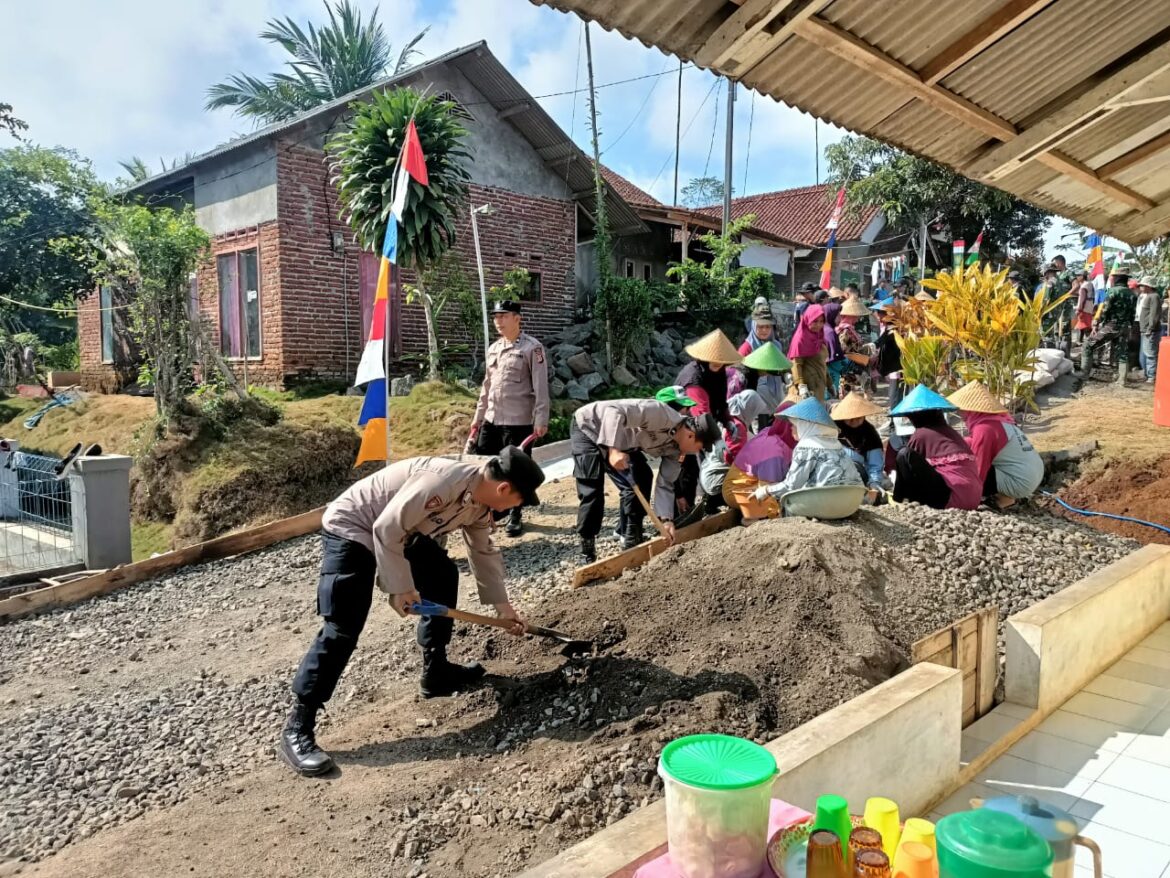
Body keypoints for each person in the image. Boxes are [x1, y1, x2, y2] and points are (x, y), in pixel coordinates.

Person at [280, 447, 544, 776]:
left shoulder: (480, 501)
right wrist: (400, 588)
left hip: (405, 532)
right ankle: (298, 728)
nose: (518, 507)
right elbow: (385, 529)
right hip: (356, 526)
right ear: (504, 489)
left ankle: (437, 672)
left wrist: (503, 607)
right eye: (520, 500)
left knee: (443, 576)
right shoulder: (441, 482)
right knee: (344, 625)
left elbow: (482, 550)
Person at [571, 399, 719, 562]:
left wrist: (666, 520)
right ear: (691, 435)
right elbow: (613, 411)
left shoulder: (677, 451)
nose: (696, 452)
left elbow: (666, 483)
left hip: (624, 442)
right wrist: (613, 449)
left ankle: (631, 537)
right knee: (592, 489)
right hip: (590, 426)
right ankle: (587, 550)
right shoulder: (659, 412)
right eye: (699, 448)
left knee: (642, 477)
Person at [466, 300, 550, 536]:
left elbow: (540, 387)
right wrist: (478, 417)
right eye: (495, 317)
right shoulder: (493, 348)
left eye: (503, 316)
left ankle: (515, 514)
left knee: (515, 470)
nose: (498, 321)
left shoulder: (532, 349)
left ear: (517, 318)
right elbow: (486, 387)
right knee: (483, 466)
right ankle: (485, 514)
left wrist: (541, 418)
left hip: (519, 421)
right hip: (492, 419)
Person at [947, 381, 1043, 509]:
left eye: (961, 409)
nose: (959, 413)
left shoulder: (985, 429)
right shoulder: (999, 421)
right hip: (1031, 475)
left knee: (964, 467)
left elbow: (978, 466)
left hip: (1020, 481)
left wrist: (966, 498)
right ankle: (1006, 499)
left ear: (971, 409)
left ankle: (1005, 497)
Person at [751, 398, 863, 504]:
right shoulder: (835, 444)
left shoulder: (805, 447)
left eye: (794, 425)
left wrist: (766, 490)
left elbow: (791, 486)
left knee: (787, 501)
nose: (791, 428)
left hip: (827, 503)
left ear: (805, 426)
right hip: (852, 501)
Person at [889, 385, 981, 510]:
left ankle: (900, 500)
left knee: (904, 454)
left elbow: (907, 466)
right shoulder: (951, 433)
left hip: (950, 498)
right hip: (973, 499)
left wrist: (898, 494)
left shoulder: (922, 434)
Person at [676, 328, 741, 428]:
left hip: (705, 425)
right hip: (686, 427)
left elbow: (721, 402)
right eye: (713, 358)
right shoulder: (694, 379)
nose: (718, 362)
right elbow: (701, 415)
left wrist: (728, 421)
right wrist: (717, 439)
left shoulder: (719, 372)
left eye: (721, 359)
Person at [831, 392, 886, 499]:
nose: (854, 421)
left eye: (858, 418)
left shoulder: (870, 434)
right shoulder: (834, 430)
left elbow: (875, 465)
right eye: (850, 418)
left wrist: (874, 484)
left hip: (858, 478)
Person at [1086, 269, 1138, 383]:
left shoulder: (1112, 291)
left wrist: (1097, 324)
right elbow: (1133, 314)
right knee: (1122, 352)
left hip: (1112, 326)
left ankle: (1083, 375)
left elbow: (1105, 310)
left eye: (1114, 277)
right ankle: (1122, 380)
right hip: (1125, 327)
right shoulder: (1132, 294)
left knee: (1088, 345)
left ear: (1117, 278)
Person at [732, 340, 791, 411]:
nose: (766, 375)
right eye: (766, 371)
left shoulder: (752, 372)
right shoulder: (747, 376)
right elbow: (745, 404)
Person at [788, 304, 829, 403]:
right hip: (806, 390)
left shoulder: (819, 336)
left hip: (819, 385)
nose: (819, 325)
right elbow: (796, 364)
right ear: (808, 319)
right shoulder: (800, 339)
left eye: (821, 321)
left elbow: (822, 363)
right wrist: (801, 385)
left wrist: (829, 383)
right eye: (815, 321)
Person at [835, 296, 874, 396]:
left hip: (848, 361)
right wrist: (860, 349)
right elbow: (844, 348)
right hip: (849, 362)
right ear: (850, 316)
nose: (858, 318)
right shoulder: (846, 330)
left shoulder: (844, 328)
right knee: (864, 379)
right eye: (856, 316)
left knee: (847, 385)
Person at [1137, 275, 1162, 384]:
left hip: (1150, 330)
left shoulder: (1154, 296)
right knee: (1146, 352)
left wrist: (1150, 328)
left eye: (1142, 285)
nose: (1141, 287)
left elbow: (1154, 314)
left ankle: (1151, 376)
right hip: (1145, 329)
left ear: (1148, 286)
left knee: (1150, 353)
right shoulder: (1147, 296)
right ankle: (1147, 374)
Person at [1072, 271, 1094, 345]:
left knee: (1086, 327)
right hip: (1089, 307)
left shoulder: (1084, 286)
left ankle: (1090, 343)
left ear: (1082, 276)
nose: (1077, 277)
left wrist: (1079, 309)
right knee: (1084, 326)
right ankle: (1082, 341)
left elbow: (1082, 299)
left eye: (1078, 275)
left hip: (1084, 309)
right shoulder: (1090, 284)